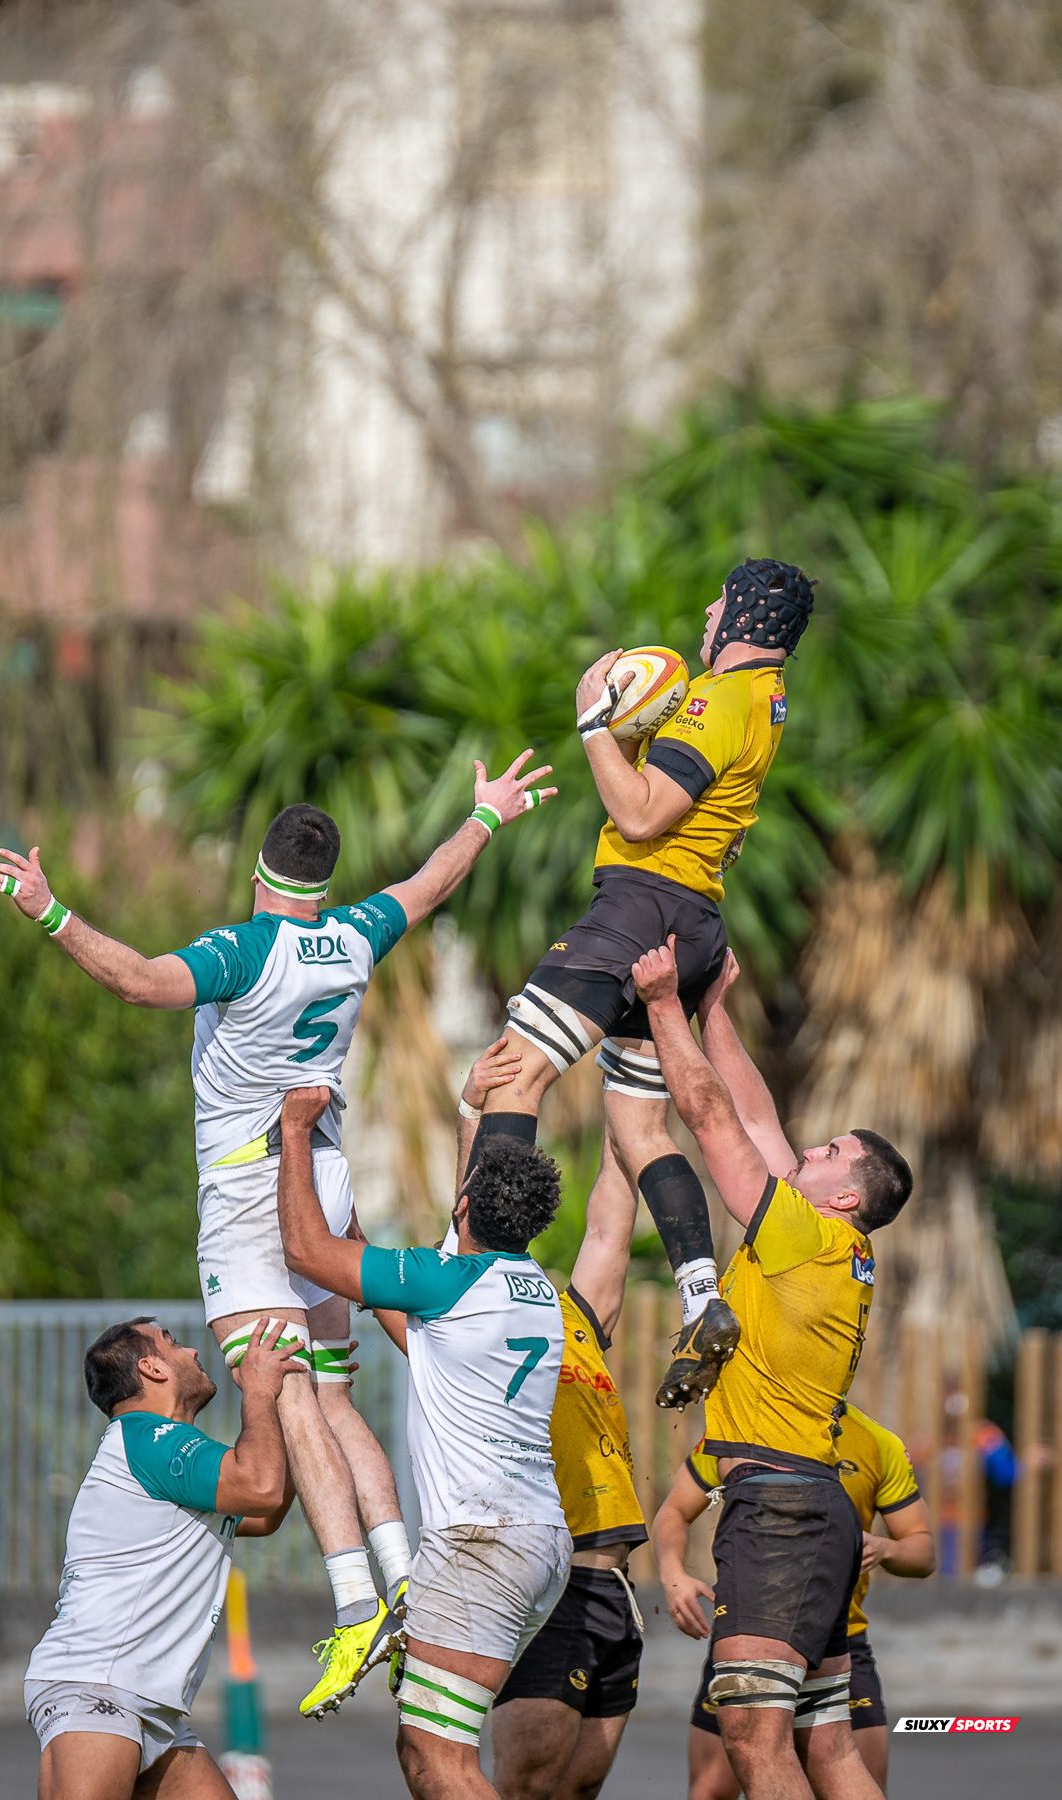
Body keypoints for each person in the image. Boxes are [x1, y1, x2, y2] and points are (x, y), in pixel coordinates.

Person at [0, 750, 555, 1716]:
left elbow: (135, 980)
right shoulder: (357, 934)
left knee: (276, 1381)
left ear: (259, 873)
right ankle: (402, 1577)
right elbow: (423, 886)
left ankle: (350, 1603)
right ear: (323, 882)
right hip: (327, 1179)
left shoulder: (242, 951)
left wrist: (49, 909)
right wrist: (487, 816)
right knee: (332, 1398)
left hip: (256, 1188)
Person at [468, 562, 816, 1410]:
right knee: (634, 1126)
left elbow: (638, 815)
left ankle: (487, 1267)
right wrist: (629, 736)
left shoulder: (719, 697)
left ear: (743, 612)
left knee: (512, 1075)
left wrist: (594, 724)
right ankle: (701, 1297)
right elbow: (673, 798)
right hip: (692, 922)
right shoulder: (765, 700)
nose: (705, 609)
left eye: (718, 598)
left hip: (636, 908)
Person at [632, 939, 913, 1800]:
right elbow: (755, 1119)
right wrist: (715, 1005)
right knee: (825, 1748)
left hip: (779, 1512)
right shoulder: (829, 1243)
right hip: (809, 1502)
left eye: (827, 1151)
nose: (806, 1150)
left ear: (843, 1195)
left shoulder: (803, 1235)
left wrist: (661, 1008)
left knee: (754, 1743)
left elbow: (715, 1118)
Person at [276, 1085, 571, 1800]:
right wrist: (470, 1117)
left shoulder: (450, 1280)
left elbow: (306, 1252)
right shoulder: (528, 1285)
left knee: (443, 1763)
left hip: (483, 1544)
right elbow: (417, 1330)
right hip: (533, 1541)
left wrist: (292, 1134)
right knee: (422, 1751)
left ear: (464, 1207)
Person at [450, 1039, 648, 1800]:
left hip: (615, 1588)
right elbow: (466, 1219)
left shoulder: (571, 1315)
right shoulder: (477, 1314)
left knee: (573, 1791)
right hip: (553, 1576)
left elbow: (608, 1228)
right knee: (526, 1788)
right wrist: (471, 1112)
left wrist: (628, 1103)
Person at [25, 1315, 298, 1800]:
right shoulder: (147, 1436)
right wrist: (258, 1390)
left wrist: (299, 1409)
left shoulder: (157, 1455)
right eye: (173, 1343)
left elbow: (266, 1511)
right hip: (101, 1687)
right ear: (151, 1368)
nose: (193, 1352)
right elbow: (259, 1487)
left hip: (144, 1705)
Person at [656, 1402, 935, 1798]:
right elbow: (673, 1511)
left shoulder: (877, 1441)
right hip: (756, 1631)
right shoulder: (744, 1422)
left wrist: (885, 1549)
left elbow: (923, 1553)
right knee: (711, 1789)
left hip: (839, 1643)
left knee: (853, 1773)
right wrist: (673, 1574)